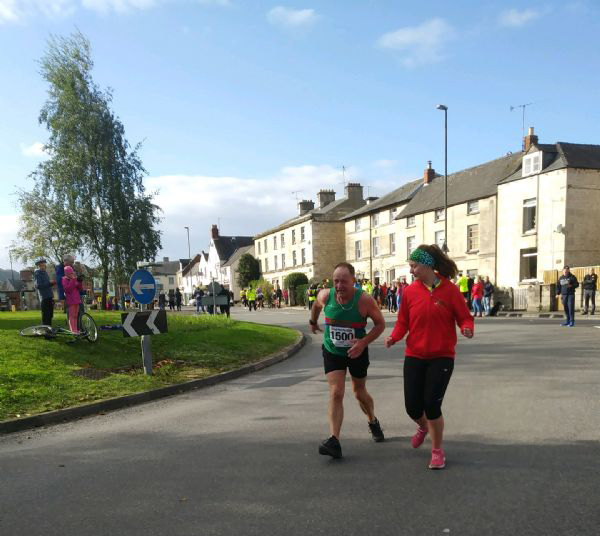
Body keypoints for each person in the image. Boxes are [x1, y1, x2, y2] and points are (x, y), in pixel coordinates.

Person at [385, 244, 474, 470]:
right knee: (412, 407)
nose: (411, 270)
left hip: (442, 356)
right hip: (414, 354)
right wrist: (394, 337)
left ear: (427, 265)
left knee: (432, 405)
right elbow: (403, 321)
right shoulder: (410, 292)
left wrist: (466, 327)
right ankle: (423, 426)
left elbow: (465, 317)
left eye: (414, 266)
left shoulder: (451, 291)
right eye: (410, 266)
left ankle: (437, 450)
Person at [309, 262, 386, 459]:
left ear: (353, 281)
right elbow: (316, 305)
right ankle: (334, 440)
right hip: (333, 350)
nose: (339, 285)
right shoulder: (327, 296)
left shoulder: (365, 300)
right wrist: (312, 321)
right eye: (336, 281)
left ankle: (372, 420)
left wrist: (363, 342)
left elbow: (380, 325)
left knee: (359, 392)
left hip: (356, 351)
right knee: (336, 392)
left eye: (344, 281)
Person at [34, 258, 55, 327]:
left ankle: (49, 331)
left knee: (50, 315)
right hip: (44, 297)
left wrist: (51, 284)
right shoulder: (37, 274)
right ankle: (46, 333)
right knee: (46, 316)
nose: (43, 267)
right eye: (41, 266)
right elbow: (38, 286)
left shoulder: (45, 273)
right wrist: (50, 283)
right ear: (38, 266)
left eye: (44, 265)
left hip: (49, 296)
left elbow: (47, 284)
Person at [62, 266, 83, 334]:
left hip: (77, 300)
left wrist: (80, 282)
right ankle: (73, 330)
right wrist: (73, 280)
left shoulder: (74, 279)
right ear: (67, 273)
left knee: (76, 316)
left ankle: (76, 330)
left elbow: (79, 288)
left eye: (72, 273)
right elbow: (67, 289)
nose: (72, 274)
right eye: (70, 273)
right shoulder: (64, 279)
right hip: (71, 301)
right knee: (71, 316)